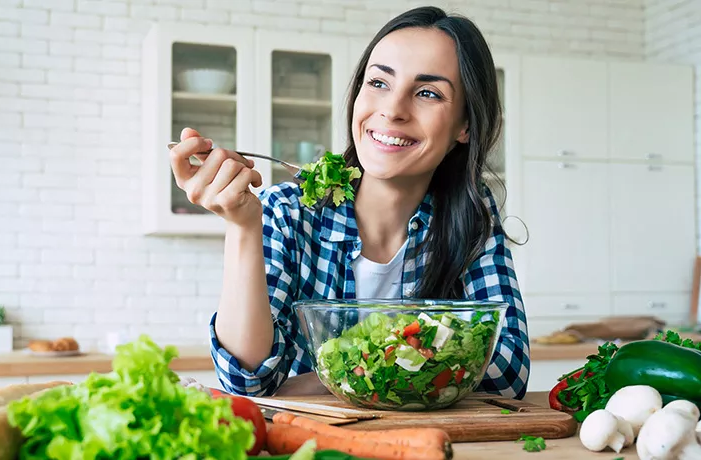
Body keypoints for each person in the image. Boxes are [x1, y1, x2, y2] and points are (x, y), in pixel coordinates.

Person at [168, 6, 530, 400]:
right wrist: (241, 226)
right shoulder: (288, 212)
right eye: (378, 83)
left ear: (465, 125)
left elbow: (507, 372)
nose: (392, 110)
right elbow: (248, 381)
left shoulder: (472, 215)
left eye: (427, 93)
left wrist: (327, 379)